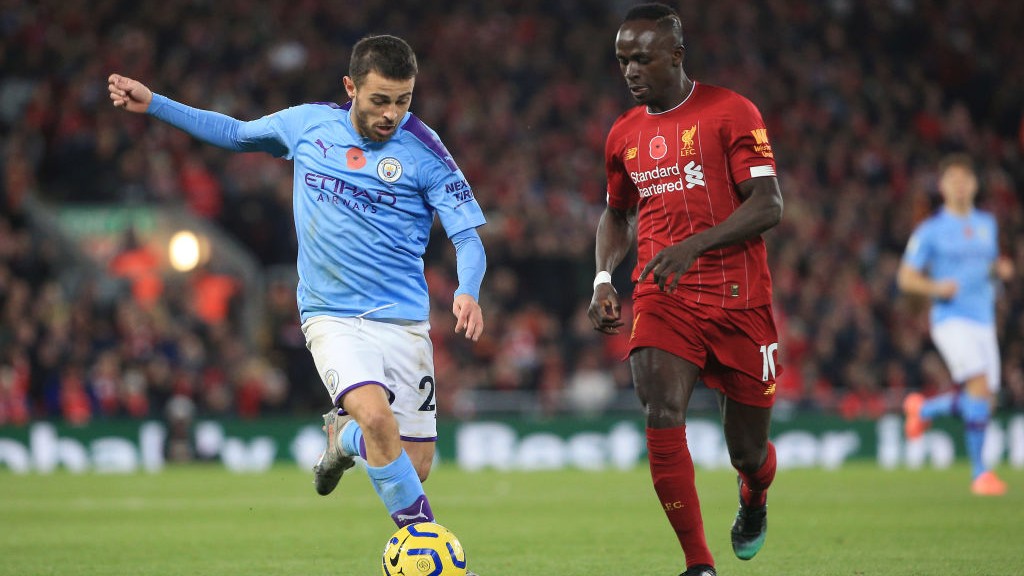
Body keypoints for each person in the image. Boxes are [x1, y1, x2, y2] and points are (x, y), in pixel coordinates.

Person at [109, 34, 487, 571]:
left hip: (402, 321)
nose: (392, 114)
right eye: (380, 99)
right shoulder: (308, 125)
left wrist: (468, 289)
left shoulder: (425, 151)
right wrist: (157, 104)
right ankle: (426, 544)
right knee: (381, 423)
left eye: (404, 100)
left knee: (414, 463)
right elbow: (237, 134)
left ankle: (342, 436)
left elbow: (468, 237)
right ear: (350, 87)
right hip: (331, 316)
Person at [588, 4, 784, 576]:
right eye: (623, 60)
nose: (630, 71)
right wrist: (603, 276)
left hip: (740, 302)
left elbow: (769, 205)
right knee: (660, 409)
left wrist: (695, 244)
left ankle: (754, 496)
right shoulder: (623, 133)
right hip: (663, 294)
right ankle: (699, 565)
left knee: (748, 453)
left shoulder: (731, 111)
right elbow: (616, 214)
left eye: (642, 58)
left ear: (676, 54)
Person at [898, 153, 1013, 496]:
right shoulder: (930, 230)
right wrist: (935, 287)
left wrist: (999, 270)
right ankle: (981, 474)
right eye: (953, 179)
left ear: (975, 185)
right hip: (950, 318)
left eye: (966, 179)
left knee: (983, 400)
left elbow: (988, 267)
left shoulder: (987, 225)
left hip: (983, 319)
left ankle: (924, 407)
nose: (960, 185)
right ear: (943, 186)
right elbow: (906, 278)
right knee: (977, 385)